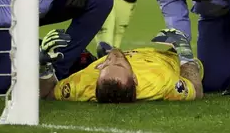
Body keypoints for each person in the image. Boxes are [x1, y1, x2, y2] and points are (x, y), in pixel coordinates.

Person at [38, 28, 204, 102]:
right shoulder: (160, 81)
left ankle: (94, 58)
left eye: (107, 64)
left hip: (128, 56)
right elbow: (196, 90)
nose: (113, 59)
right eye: (119, 65)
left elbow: (48, 94)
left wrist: (44, 67)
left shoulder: (84, 84)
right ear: (134, 78)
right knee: (215, 78)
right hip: (164, 58)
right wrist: (184, 51)